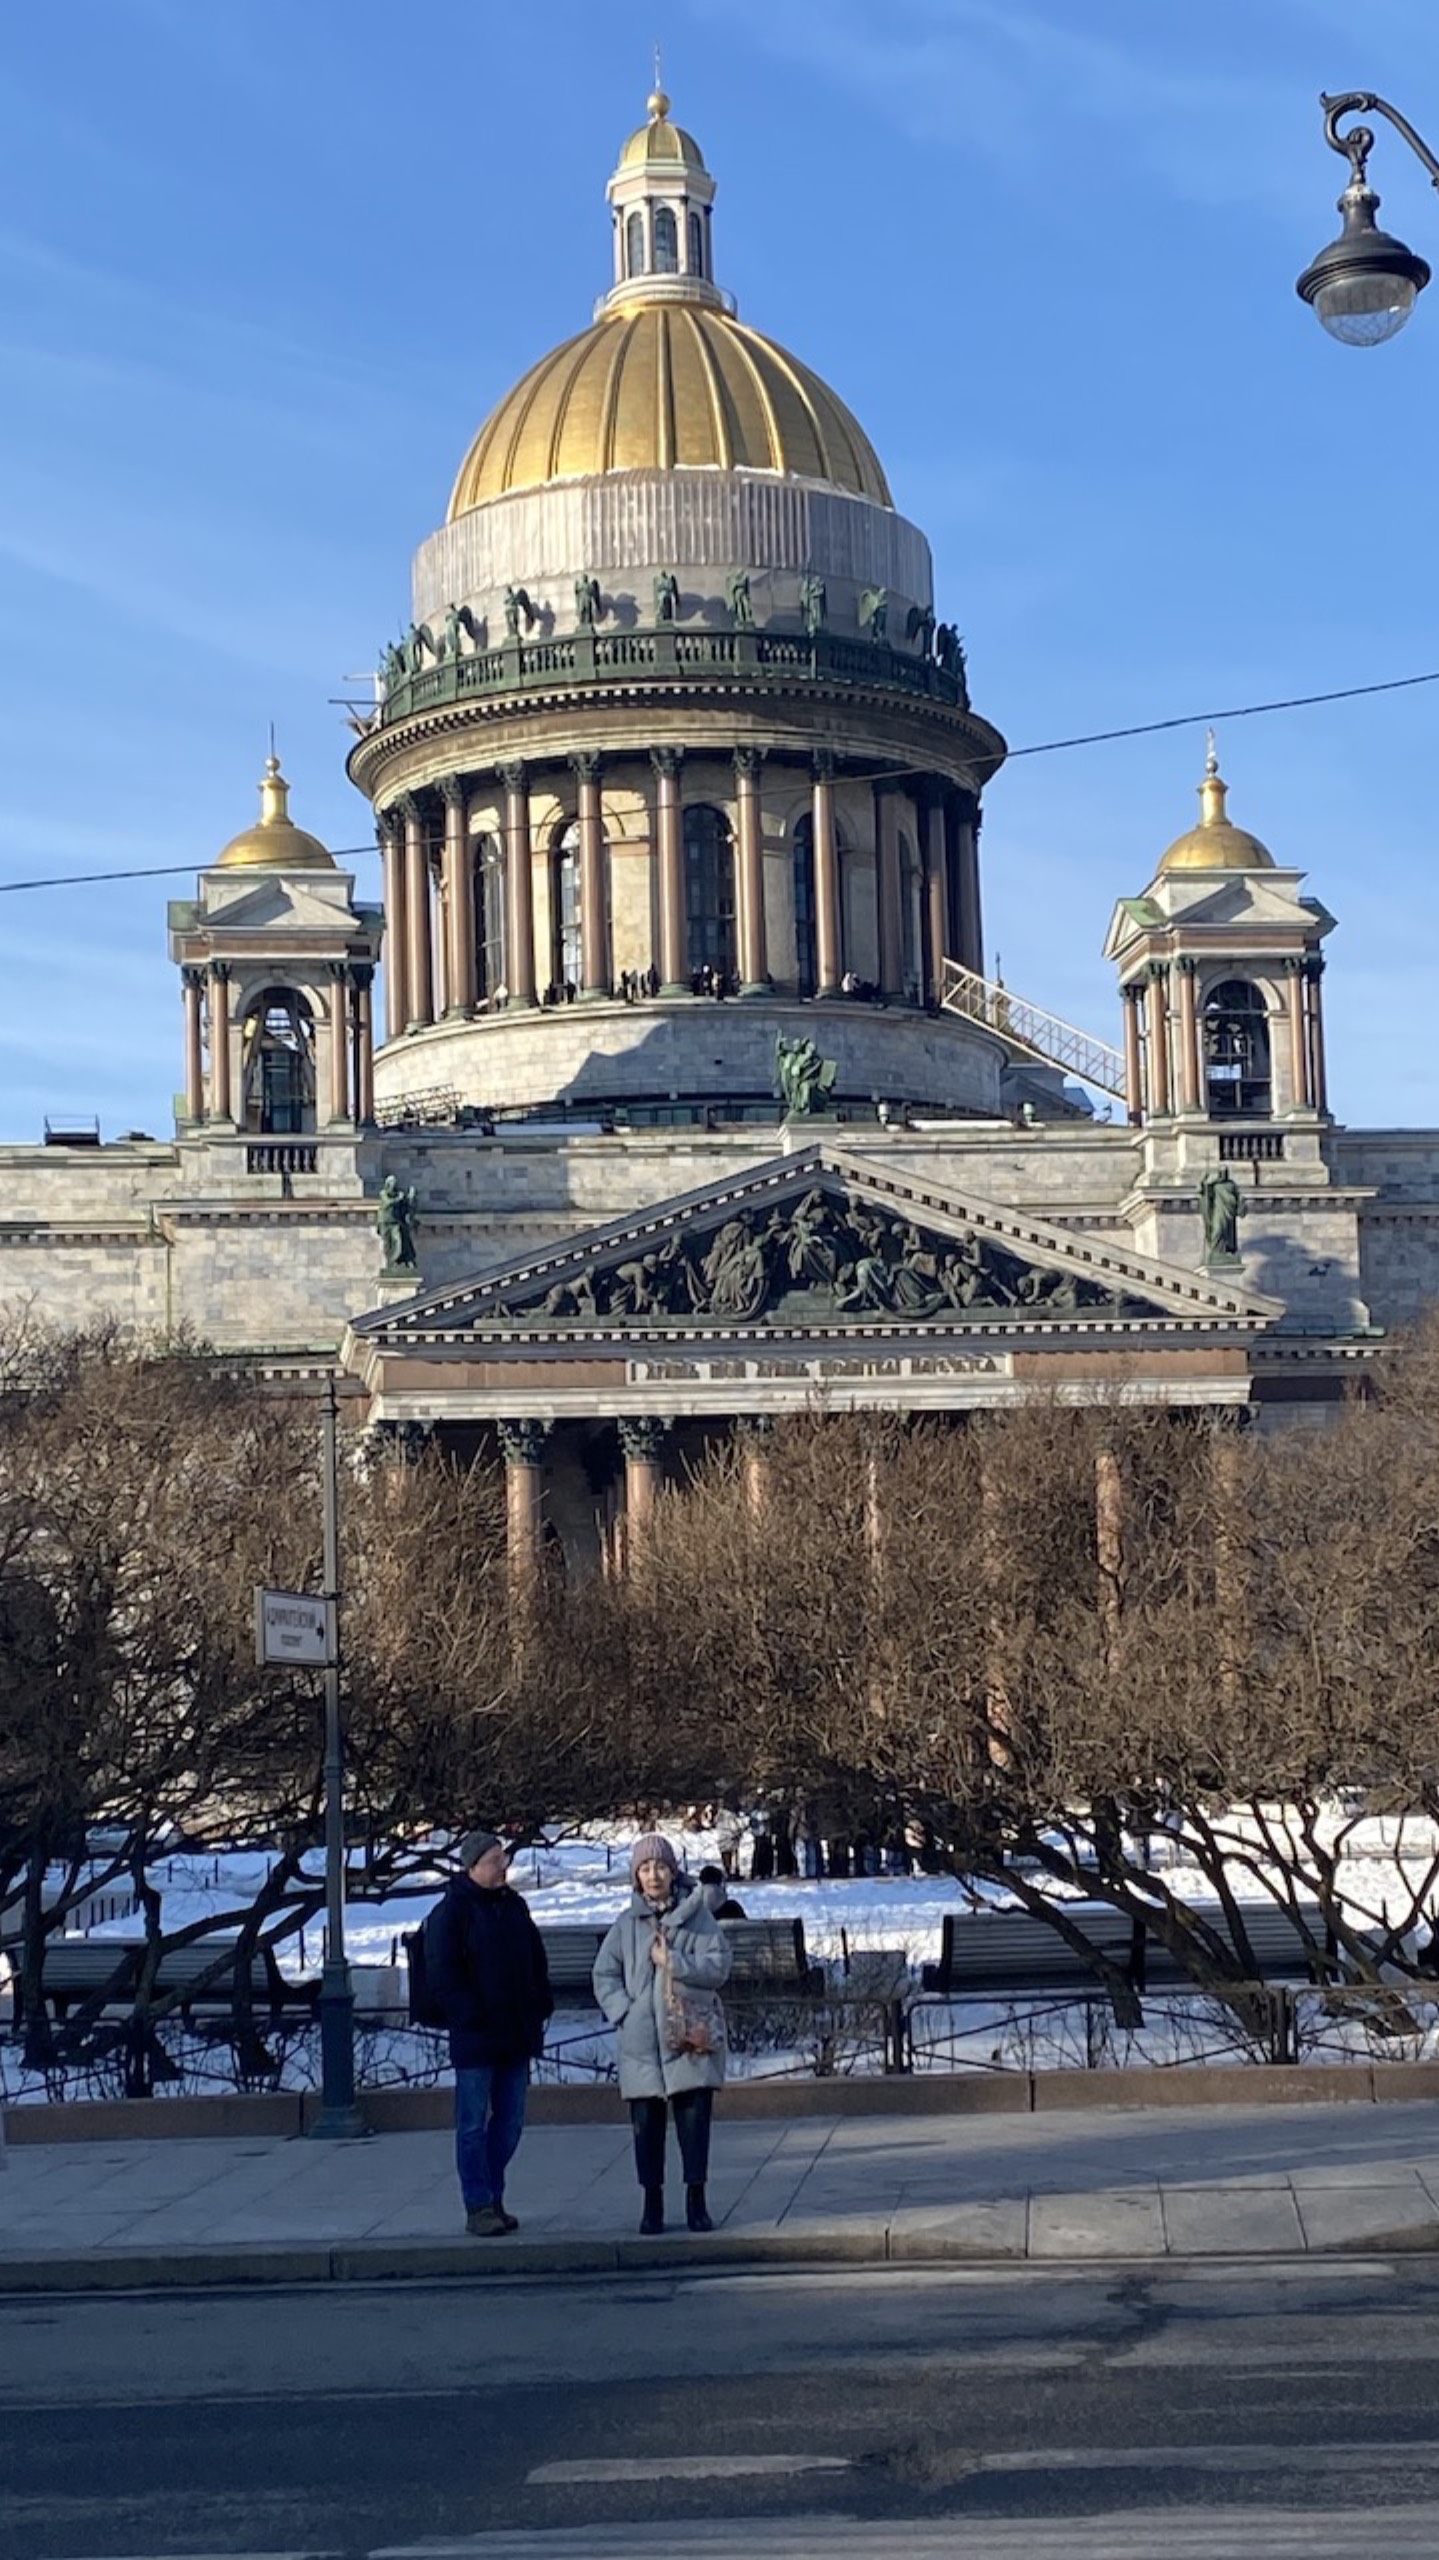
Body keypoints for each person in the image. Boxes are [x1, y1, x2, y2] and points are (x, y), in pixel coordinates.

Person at [593, 1833, 732, 2235]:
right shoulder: (627, 1924)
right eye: (645, 1868)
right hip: (642, 2043)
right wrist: (625, 2012)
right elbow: (603, 1974)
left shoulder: (699, 1917)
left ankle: (696, 2201)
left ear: (674, 1871)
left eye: (660, 1867)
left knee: (694, 2124)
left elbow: (718, 1966)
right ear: (636, 1876)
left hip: (691, 2035)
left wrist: (674, 1962)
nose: (654, 1876)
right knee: (646, 2129)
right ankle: (651, 2204)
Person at [425, 1829, 552, 2238]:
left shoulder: (514, 1907)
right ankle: (478, 2202)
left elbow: (535, 1959)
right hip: (477, 2037)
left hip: (515, 2033)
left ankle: (492, 2192)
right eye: (496, 1861)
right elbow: (443, 1974)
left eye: (504, 1860)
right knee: (472, 2125)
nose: (503, 1868)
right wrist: (471, 2015)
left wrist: (539, 2002)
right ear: (473, 1866)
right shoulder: (452, 1912)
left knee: (510, 2122)